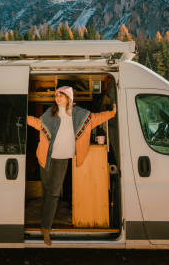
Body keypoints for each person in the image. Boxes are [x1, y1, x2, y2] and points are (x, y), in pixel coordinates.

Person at [26, 86, 116, 246]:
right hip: (45, 156)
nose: (57, 98)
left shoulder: (79, 114)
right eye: (56, 95)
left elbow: (95, 118)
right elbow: (39, 124)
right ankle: (46, 219)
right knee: (46, 192)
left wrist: (111, 114)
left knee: (53, 193)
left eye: (60, 95)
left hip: (62, 159)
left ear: (69, 97)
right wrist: (24, 117)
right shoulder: (50, 112)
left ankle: (45, 228)